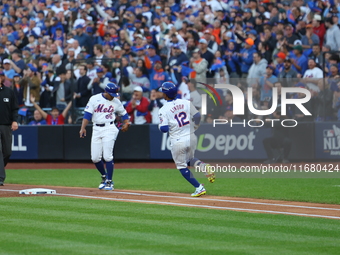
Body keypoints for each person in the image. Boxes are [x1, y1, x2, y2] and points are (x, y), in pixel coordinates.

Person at [157, 82, 215, 197]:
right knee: (190, 159)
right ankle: (203, 166)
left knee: (182, 166)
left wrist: (162, 126)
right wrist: (196, 126)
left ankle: (199, 187)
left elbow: (163, 129)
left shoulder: (163, 109)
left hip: (178, 140)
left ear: (166, 95)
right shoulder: (186, 102)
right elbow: (197, 116)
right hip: (191, 136)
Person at [79, 83, 130, 191]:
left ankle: (109, 181)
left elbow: (124, 114)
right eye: (111, 93)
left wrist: (127, 123)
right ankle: (104, 176)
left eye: (114, 94)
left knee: (107, 156)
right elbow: (87, 114)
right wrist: (83, 128)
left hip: (110, 128)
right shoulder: (94, 99)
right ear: (105, 91)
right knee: (95, 157)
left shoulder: (116, 101)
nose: (113, 96)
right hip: (96, 128)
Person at [0, 71, 19, 186]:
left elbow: (15, 108)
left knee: (7, 151)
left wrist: (15, 120)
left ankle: (0, 168)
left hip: (6, 125)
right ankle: (1, 177)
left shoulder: (9, 92)